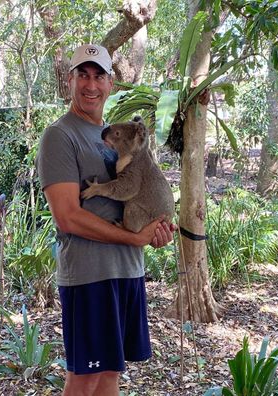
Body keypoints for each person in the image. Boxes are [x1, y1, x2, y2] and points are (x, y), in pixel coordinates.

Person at [35, 43, 174, 396]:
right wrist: (132, 237)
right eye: (83, 75)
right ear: (69, 80)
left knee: (110, 374)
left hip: (127, 269)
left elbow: (139, 194)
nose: (91, 85)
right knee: (85, 379)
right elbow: (67, 217)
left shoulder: (119, 138)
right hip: (89, 274)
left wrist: (156, 229)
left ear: (111, 83)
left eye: (99, 76)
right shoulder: (60, 136)